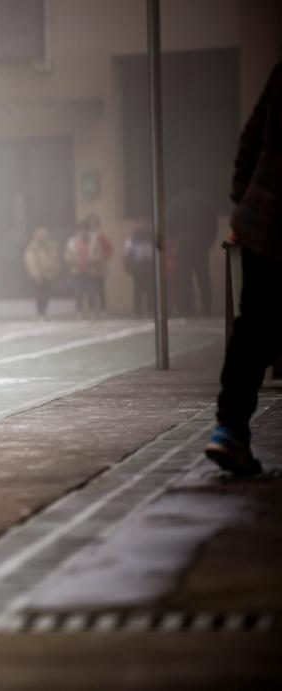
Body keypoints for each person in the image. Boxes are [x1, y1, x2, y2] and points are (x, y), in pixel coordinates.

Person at [205, 62, 282, 477]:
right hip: (265, 220)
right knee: (258, 329)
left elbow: (250, 139)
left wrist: (241, 205)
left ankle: (229, 429)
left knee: (252, 328)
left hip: (261, 220)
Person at [166, 186, 217, 317]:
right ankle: (206, 308)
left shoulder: (176, 204)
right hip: (201, 246)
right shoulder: (204, 203)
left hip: (183, 247)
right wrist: (208, 244)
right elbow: (213, 225)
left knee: (185, 279)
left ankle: (189, 308)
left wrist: (174, 244)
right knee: (203, 278)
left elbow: (169, 226)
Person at [64, 221, 101, 319]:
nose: (83, 232)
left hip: (91, 271)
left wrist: (92, 259)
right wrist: (75, 260)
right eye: (81, 230)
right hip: (76, 272)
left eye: (86, 230)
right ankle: (78, 311)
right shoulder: (71, 242)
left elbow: (99, 254)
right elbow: (67, 256)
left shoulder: (94, 241)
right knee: (78, 293)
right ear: (78, 231)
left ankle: (92, 311)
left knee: (92, 292)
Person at [23, 226, 60, 319]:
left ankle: (44, 311)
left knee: (47, 294)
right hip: (38, 275)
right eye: (40, 233)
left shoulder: (51, 246)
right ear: (35, 235)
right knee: (40, 294)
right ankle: (40, 312)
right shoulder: (33, 247)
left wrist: (55, 271)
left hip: (49, 274)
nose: (42, 235)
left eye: (44, 233)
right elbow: (30, 261)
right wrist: (36, 274)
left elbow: (55, 259)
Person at [122, 216, 156, 318]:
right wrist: (128, 267)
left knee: (150, 290)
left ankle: (151, 310)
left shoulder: (153, 236)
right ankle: (138, 311)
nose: (143, 225)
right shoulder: (132, 238)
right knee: (138, 290)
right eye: (140, 223)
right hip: (137, 269)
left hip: (150, 268)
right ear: (137, 224)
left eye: (145, 223)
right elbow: (126, 253)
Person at [84, 213, 112, 316]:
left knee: (101, 289)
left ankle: (103, 309)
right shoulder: (85, 236)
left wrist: (103, 258)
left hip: (100, 267)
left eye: (95, 223)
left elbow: (109, 250)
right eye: (91, 223)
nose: (93, 225)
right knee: (91, 289)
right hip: (88, 266)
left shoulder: (102, 237)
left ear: (98, 224)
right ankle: (92, 310)